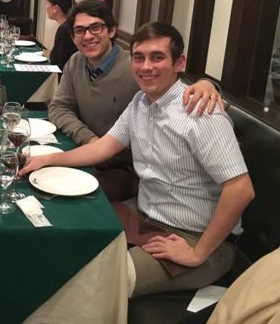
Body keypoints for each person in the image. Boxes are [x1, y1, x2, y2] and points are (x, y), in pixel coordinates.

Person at [22, 21, 255, 298]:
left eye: (157, 57)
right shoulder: (140, 103)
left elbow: (241, 189)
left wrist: (196, 253)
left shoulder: (201, 112)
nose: (146, 67)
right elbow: (103, 147)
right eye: (139, 57)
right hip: (142, 215)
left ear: (179, 63)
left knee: (91, 284)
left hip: (193, 237)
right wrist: (48, 159)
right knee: (61, 234)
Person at [48, 0, 222, 201]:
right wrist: (89, 139)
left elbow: (174, 87)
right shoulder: (76, 62)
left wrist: (207, 84)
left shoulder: (137, 68)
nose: (88, 36)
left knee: (70, 197)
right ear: (72, 37)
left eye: (95, 27)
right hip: (93, 152)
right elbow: (59, 107)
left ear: (112, 30)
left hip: (128, 168)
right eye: (80, 31)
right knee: (47, 180)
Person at [45, 0, 78, 71]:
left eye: (47, 4)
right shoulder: (69, 25)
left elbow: (61, 65)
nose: (45, 7)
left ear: (55, 8)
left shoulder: (64, 30)